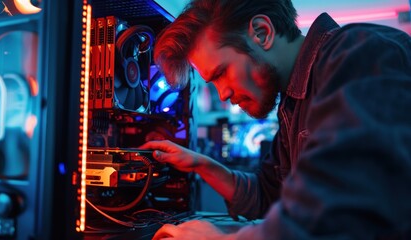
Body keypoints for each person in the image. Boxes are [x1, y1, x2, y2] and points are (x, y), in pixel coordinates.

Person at [140, 0, 411, 239]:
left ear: (262, 33)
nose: (223, 94)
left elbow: (337, 212)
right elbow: (267, 196)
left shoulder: (357, 53)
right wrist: (198, 163)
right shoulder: (292, 105)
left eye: (222, 72)